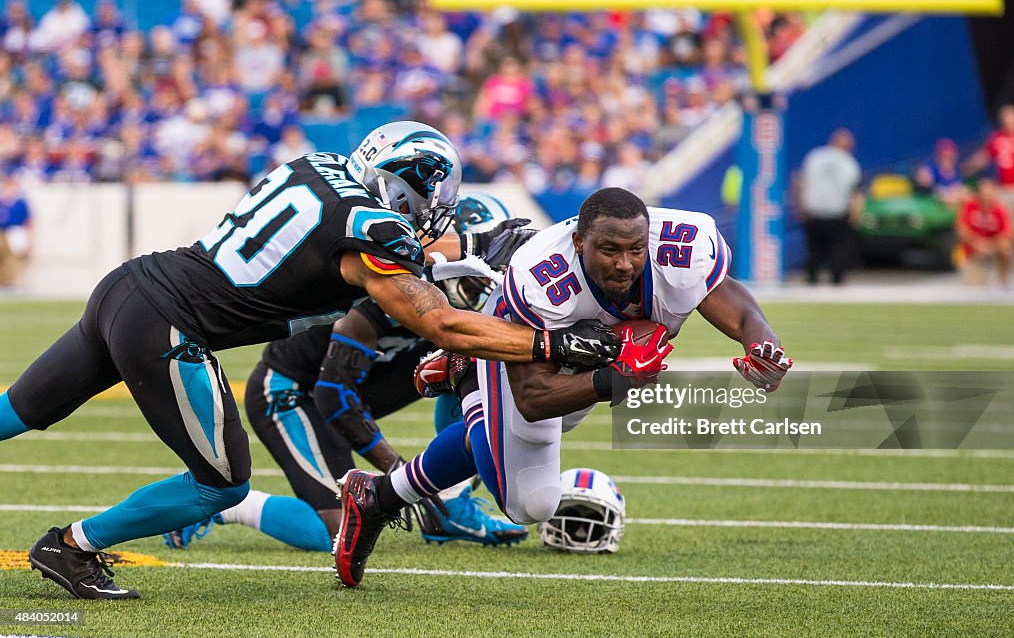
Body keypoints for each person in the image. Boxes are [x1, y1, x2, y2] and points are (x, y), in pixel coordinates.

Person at [2, 121, 620, 600]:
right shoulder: (372, 230)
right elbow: (439, 323)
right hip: (168, 323)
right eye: (431, 194)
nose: (433, 210)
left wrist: (441, 261)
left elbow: (340, 252)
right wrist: (552, 344)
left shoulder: (317, 168)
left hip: (130, 285)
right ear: (402, 181)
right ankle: (71, 546)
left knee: (22, 409)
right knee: (222, 484)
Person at [333, 187, 794, 587]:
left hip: (591, 351)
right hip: (527, 342)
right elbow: (535, 400)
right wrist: (616, 380)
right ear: (579, 243)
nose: (625, 264)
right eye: (609, 250)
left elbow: (737, 307)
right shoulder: (543, 276)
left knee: (514, 431)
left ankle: (374, 497)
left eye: (635, 250)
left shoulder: (683, 245)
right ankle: (474, 366)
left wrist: (764, 346)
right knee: (529, 503)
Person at [163, 195, 528, 552]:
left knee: (473, 367)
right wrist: (402, 477)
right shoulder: (390, 282)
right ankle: (229, 508)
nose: (485, 284)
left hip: (352, 390)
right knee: (335, 531)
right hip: (293, 393)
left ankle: (454, 503)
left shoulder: (447, 302)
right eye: (476, 271)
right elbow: (333, 394)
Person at [796, 128, 863, 285]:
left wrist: (801, 206)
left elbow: (800, 182)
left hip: (814, 212)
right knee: (838, 253)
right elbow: (855, 194)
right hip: (837, 214)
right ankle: (836, 283)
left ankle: (811, 281)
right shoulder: (850, 163)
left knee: (814, 253)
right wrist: (855, 215)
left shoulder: (815, 156)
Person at [964, 104, 1014, 246]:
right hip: (1003, 189)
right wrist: (966, 168)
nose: (1008, 122)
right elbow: (984, 156)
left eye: (1011, 118)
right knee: (1007, 225)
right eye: (1005, 118)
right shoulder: (997, 138)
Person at [956, 178, 1014, 287]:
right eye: (983, 193)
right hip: (973, 250)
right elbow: (962, 229)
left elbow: (1005, 233)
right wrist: (976, 243)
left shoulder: (1000, 209)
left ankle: (1002, 281)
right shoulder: (970, 206)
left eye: (989, 193)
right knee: (974, 288)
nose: (986, 196)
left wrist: (989, 246)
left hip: (992, 247)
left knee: (1006, 248)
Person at [914, 138, 966, 207]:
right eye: (944, 157)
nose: (947, 160)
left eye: (950, 157)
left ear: (955, 157)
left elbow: (960, 191)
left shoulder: (957, 174)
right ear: (938, 157)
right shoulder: (932, 169)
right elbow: (923, 175)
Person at [0, 176, 31, 287]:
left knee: (14, 257)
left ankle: (13, 281)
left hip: (15, 231)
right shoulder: (2, 203)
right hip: (2, 231)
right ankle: (3, 281)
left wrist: (29, 238)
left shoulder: (21, 203)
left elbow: (28, 222)